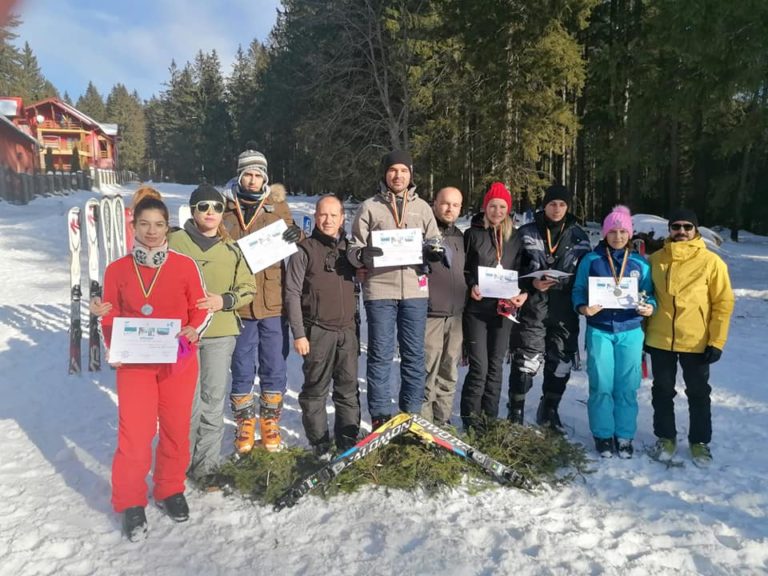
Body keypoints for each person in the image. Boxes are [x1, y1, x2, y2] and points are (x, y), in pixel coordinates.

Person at [100, 197, 212, 541]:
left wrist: (194, 328)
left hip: (177, 355)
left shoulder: (184, 265)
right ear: (134, 226)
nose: (151, 232)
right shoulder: (117, 269)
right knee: (135, 434)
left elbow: (202, 308)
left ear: (168, 228)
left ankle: (168, 488)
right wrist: (113, 345)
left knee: (177, 429)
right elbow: (110, 313)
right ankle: (131, 500)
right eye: (144, 224)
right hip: (135, 362)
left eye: (159, 224)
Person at [347, 149, 441, 429]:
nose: (398, 176)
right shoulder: (369, 207)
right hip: (380, 291)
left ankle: (410, 414)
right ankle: (380, 416)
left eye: (403, 170)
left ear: (410, 174)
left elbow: (435, 239)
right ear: (385, 174)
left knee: (413, 354)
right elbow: (353, 248)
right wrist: (362, 256)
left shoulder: (422, 207)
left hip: (414, 290)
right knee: (381, 354)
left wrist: (433, 250)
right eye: (392, 170)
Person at [168, 184, 256, 481]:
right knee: (184, 403)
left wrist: (224, 300)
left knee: (212, 400)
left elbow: (248, 287)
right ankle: (179, 465)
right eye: (203, 206)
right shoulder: (174, 242)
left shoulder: (231, 248)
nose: (210, 212)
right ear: (192, 210)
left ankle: (206, 466)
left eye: (216, 207)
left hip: (219, 334)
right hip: (182, 335)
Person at [222, 146, 302, 453]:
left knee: (274, 363)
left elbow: (293, 236)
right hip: (239, 302)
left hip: (272, 301)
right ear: (239, 176)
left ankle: (269, 421)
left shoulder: (276, 206)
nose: (253, 180)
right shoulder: (226, 208)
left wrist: (296, 234)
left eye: (258, 175)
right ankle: (244, 422)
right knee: (241, 363)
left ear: (265, 178)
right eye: (248, 174)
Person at [645, 208, 734, 467]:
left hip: (696, 341)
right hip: (660, 338)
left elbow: (723, 303)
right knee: (662, 390)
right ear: (669, 230)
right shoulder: (655, 260)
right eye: (676, 227)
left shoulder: (711, 262)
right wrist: (642, 332)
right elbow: (644, 296)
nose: (681, 231)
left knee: (698, 392)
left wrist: (717, 341)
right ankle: (665, 437)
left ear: (696, 230)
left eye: (687, 227)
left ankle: (699, 442)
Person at [572, 206, 655, 458]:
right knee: (601, 384)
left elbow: (649, 293)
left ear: (629, 234)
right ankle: (603, 434)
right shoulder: (592, 260)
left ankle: (625, 435)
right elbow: (577, 290)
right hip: (600, 330)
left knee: (627, 386)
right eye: (612, 231)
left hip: (630, 330)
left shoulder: (640, 263)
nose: (618, 236)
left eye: (622, 231)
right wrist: (583, 307)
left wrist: (649, 307)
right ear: (605, 233)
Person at [507, 184, 591, 431]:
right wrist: (531, 283)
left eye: (562, 205)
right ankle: (516, 410)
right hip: (533, 306)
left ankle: (549, 408)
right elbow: (510, 270)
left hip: (564, 310)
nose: (557, 209)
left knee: (561, 363)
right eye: (553, 204)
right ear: (545, 205)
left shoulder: (579, 236)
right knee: (525, 362)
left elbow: (587, 274)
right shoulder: (525, 233)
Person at [285, 195, 360, 458]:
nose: (327, 220)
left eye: (333, 215)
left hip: (347, 332)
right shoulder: (304, 250)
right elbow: (292, 293)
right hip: (317, 332)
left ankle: (347, 442)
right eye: (322, 215)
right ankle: (320, 445)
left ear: (342, 218)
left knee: (348, 390)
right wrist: (299, 333)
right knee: (316, 391)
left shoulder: (350, 251)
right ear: (315, 217)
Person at [461, 182, 528, 431]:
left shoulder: (516, 237)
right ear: (485, 207)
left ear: (508, 209)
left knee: (496, 367)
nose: (497, 211)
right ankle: (471, 421)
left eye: (502, 207)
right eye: (492, 206)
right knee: (479, 367)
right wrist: (470, 285)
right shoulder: (472, 234)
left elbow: (523, 272)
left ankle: (489, 421)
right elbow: (465, 268)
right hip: (477, 310)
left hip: (504, 311)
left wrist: (523, 293)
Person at [420, 186, 467, 426]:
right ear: (435, 203)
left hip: (456, 315)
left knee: (449, 371)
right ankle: (425, 424)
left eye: (455, 205)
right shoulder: (422, 233)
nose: (450, 209)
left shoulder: (460, 235)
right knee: (427, 370)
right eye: (445, 203)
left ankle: (443, 419)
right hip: (430, 315)